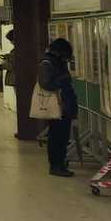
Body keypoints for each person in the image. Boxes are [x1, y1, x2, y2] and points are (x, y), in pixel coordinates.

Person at [38, 37, 80, 176]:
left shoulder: (57, 62)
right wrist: (62, 80)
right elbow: (45, 84)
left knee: (62, 137)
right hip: (57, 106)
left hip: (64, 105)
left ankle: (59, 163)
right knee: (57, 137)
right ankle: (56, 166)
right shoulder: (47, 63)